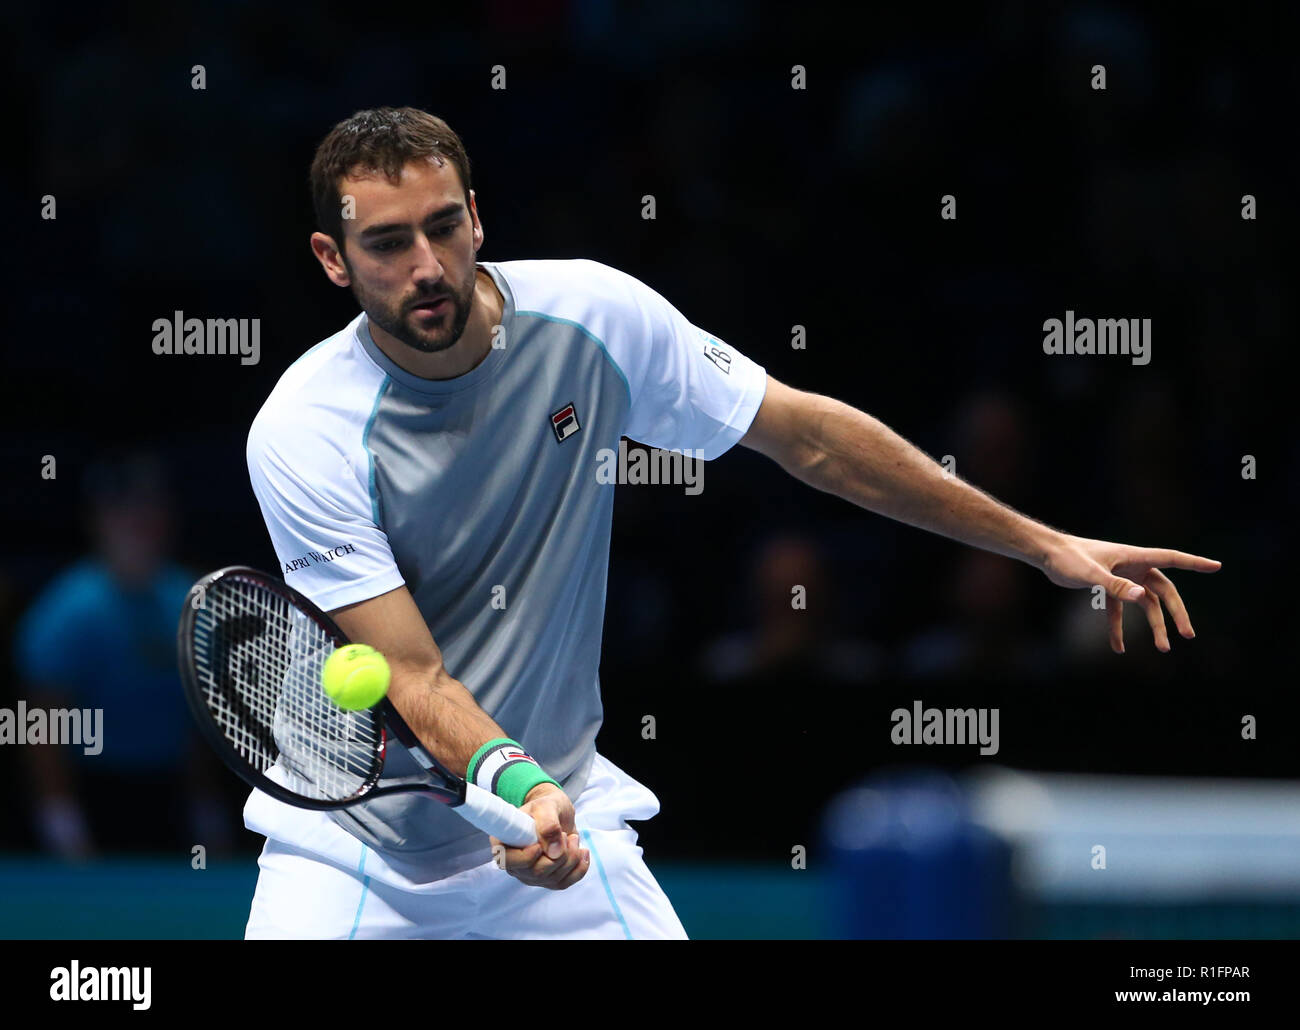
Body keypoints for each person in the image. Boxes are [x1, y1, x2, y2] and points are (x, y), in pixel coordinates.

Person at [242, 107, 1220, 939]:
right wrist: (514, 780)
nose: (427, 264)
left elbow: (809, 438)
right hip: (358, 858)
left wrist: (1043, 543)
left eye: (444, 225)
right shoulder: (306, 428)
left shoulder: (598, 320)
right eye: (386, 242)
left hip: (564, 820)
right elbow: (411, 674)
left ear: (477, 217)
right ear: (333, 259)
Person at [14, 452, 232, 857]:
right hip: (93, 791)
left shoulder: (194, 599)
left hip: (171, 799)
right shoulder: (65, 611)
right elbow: (41, 728)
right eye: (123, 509)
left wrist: (207, 812)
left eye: (151, 507)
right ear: (95, 520)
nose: (139, 521)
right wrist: (63, 825)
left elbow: (200, 719)